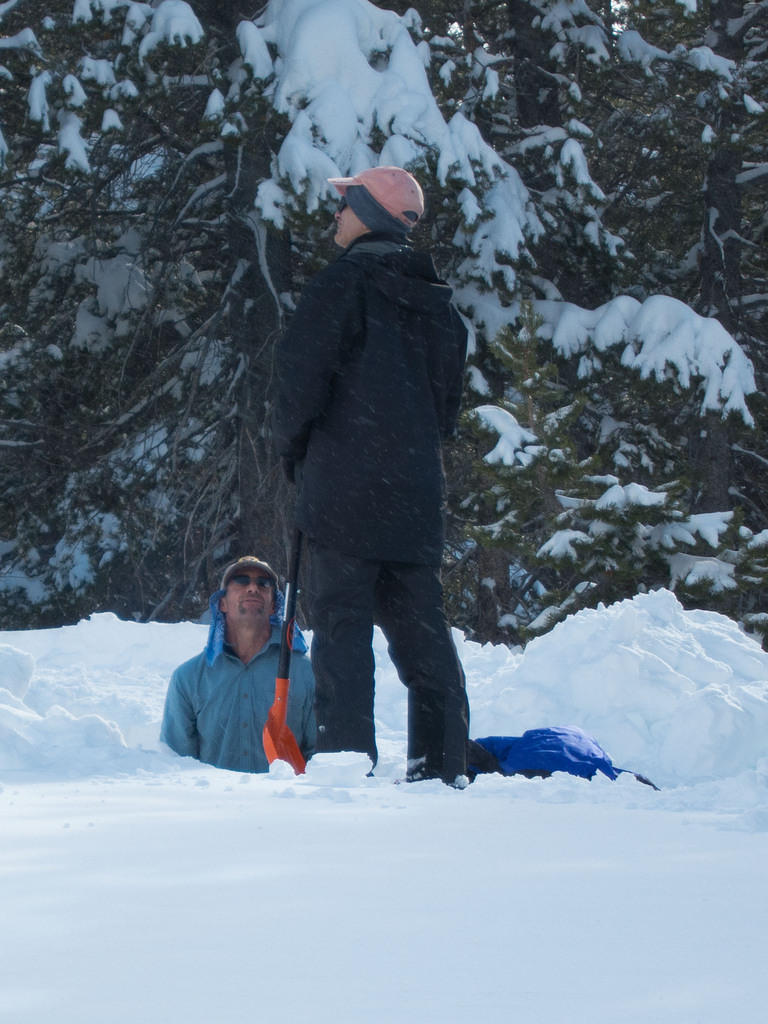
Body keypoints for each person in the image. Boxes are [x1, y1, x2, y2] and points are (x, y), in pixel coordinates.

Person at [272, 165, 469, 786]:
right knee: (421, 632)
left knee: (341, 629)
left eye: (346, 203)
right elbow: (446, 410)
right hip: (413, 496)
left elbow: (295, 389)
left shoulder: (340, 287)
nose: (337, 214)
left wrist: (295, 453)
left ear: (371, 214)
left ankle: (344, 767)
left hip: (342, 492)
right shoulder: (440, 307)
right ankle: (442, 766)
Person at [160, 555, 316, 772]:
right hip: (216, 803)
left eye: (264, 583)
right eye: (242, 581)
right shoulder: (188, 678)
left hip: (285, 803)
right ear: (222, 603)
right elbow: (175, 764)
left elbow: (320, 758)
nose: (253, 587)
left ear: (274, 605)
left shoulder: (304, 672)